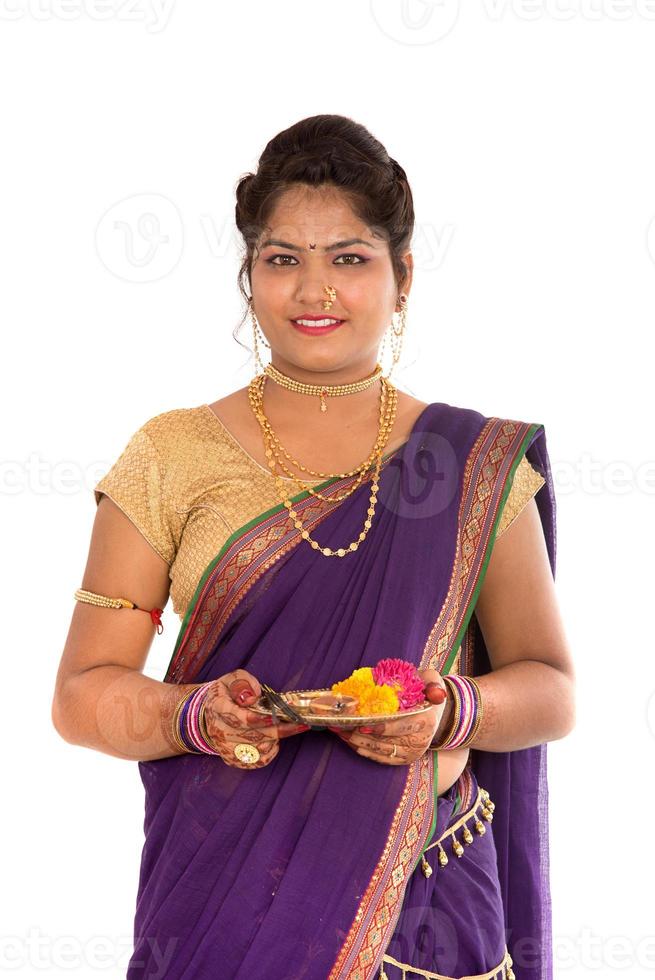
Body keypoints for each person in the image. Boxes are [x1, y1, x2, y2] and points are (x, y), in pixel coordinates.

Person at [51, 114, 575, 980]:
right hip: (223, 892)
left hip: (427, 890)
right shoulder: (170, 453)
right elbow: (81, 694)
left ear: (403, 276)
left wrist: (449, 711)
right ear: (248, 275)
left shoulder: (468, 463)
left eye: (349, 258)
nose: (313, 290)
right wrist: (194, 716)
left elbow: (550, 689)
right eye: (283, 258)